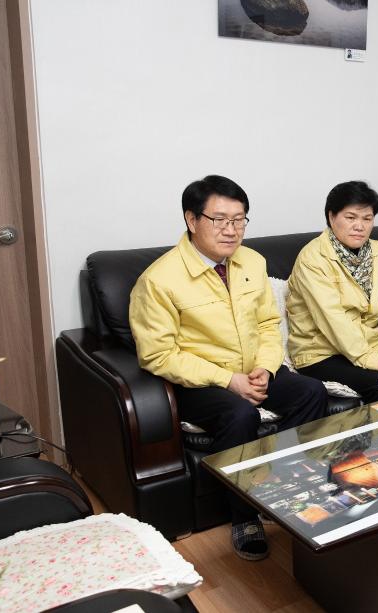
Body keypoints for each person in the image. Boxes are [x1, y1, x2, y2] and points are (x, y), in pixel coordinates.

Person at [128, 175, 327, 561]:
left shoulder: (252, 261)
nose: (231, 230)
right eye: (219, 220)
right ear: (191, 219)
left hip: (255, 368)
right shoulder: (158, 280)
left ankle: (279, 488)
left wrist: (267, 369)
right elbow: (157, 355)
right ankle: (244, 515)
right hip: (200, 380)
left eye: (239, 220)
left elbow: (269, 324)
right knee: (239, 413)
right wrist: (227, 380)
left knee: (312, 392)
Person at [287, 180, 378, 404]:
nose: (359, 226)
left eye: (367, 219)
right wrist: (370, 357)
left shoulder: (377, 250)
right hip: (321, 353)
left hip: (369, 345)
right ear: (332, 217)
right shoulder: (312, 258)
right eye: (350, 217)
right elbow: (332, 318)